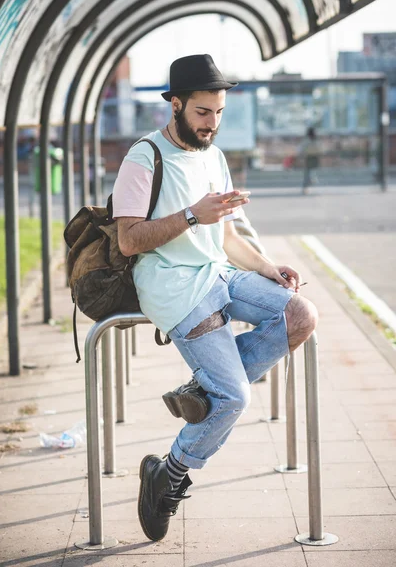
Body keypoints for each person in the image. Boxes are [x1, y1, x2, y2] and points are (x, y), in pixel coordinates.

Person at [112, 54, 318, 542]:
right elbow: (128, 240)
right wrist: (190, 216)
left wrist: (271, 269)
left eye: (219, 112)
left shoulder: (214, 156)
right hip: (175, 287)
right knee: (235, 399)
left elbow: (224, 237)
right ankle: (171, 472)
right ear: (177, 104)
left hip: (218, 272)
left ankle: (203, 393)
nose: (212, 123)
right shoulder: (144, 157)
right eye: (203, 112)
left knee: (299, 314)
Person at [299, 126, 320, 194]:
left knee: (308, 173)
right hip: (314, 157)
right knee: (311, 171)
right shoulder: (315, 140)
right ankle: (311, 181)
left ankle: (306, 187)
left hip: (309, 157)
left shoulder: (307, 140)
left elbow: (301, 149)